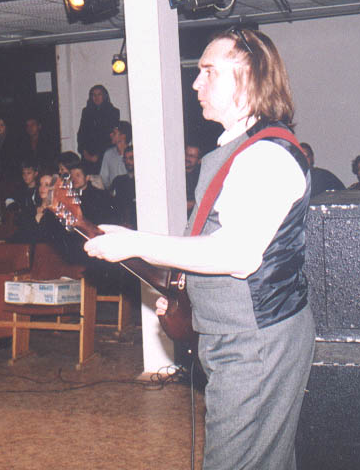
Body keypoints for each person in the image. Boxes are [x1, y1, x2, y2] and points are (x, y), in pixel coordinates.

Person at [83, 28, 314, 470]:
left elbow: (237, 254)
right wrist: (179, 286)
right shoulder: (235, 150)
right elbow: (213, 242)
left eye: (209, 71)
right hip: (238, 336)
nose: (195, 83)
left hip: (256, 341)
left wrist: (137, 243)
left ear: (249, 77)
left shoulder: (266, 156)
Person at [77, 85, 120, 174]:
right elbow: (81, 133)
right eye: (94, 95)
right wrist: (85, 153)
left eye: (99, 94)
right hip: (87, 155)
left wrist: (99, 155)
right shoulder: (86, 112)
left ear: (104, 96)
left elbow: (111, 136)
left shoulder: (113, 112)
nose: (96, 97)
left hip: (105, 154)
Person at [99, 120, 131, 191]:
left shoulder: (132, 154)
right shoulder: (108, 154)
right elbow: (103, 178)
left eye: (114, 133)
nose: (111, 135)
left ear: (123, 136)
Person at [112, 146, 136, 229]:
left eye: (131, 158)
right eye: (125, 159)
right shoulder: (118, 181)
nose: (127, 162)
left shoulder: (142, 182)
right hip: (121, 224)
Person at [184, 144, 201, 214]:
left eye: (191, 156)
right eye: (186, 154)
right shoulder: (174, 173)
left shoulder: (200, 178)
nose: (187, 158)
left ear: (199, 160)